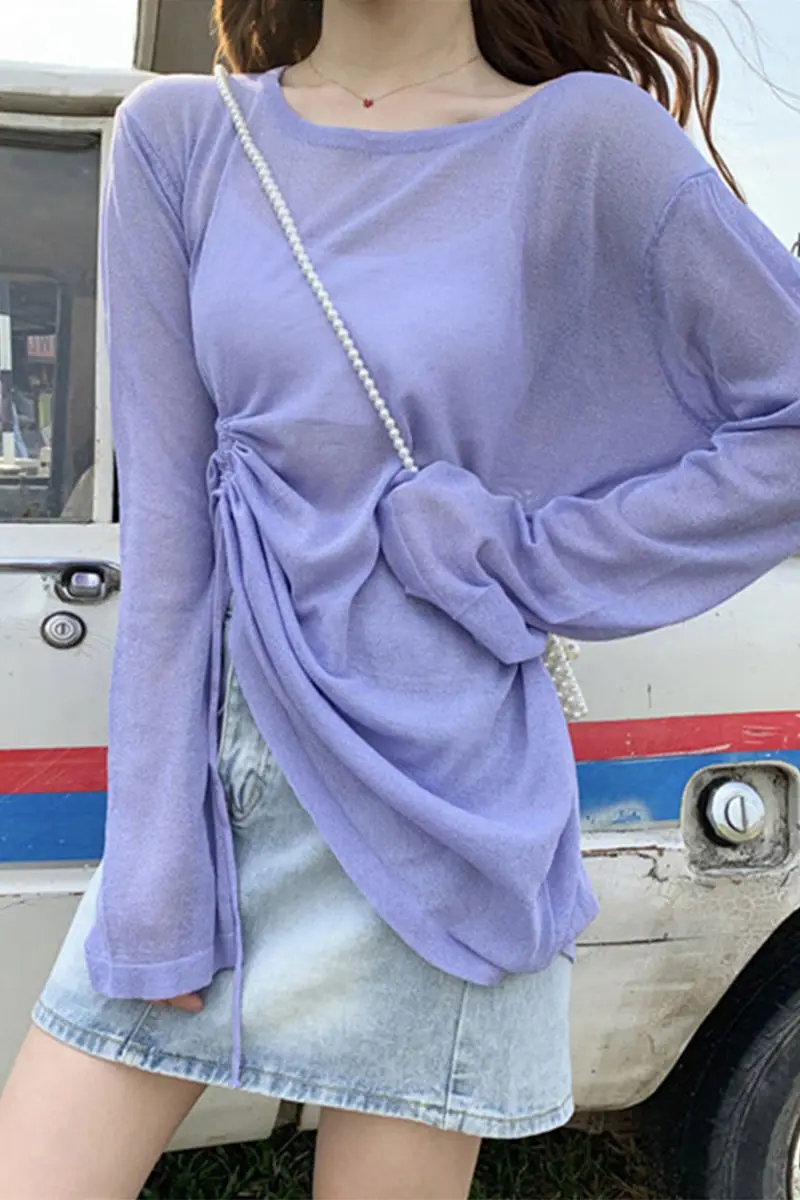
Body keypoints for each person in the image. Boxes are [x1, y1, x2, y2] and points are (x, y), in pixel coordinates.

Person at [2, 0, 800, 1197]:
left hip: (443, 805)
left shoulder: (582, 138)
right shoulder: (182, 137)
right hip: (226, 785)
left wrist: (523, 555)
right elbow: (171, 544)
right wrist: (157, 858)